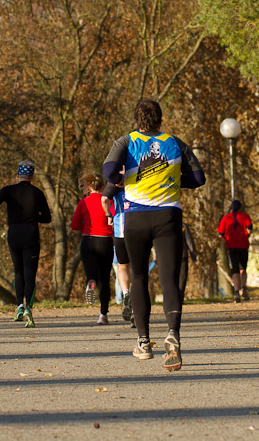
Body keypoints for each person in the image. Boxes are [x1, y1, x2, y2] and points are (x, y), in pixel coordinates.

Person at [103, 98, 205, 371]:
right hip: (168, 216)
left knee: (138, 276)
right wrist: (171, 178)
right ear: (160, 118)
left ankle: (144, 342)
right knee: (169, 278)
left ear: (137, 119)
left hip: (135, 217)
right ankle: (172, 335)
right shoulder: (176, 142)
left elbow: (110, 171)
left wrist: (122, 179)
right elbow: (198, 178)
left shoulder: (125, 142)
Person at [0, 160, 52, 328]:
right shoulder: (37, 193)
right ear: (32, 177)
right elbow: (47, 218)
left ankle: (19, 306)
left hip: (14, 233)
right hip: (31, 233)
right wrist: (33, 217)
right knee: (30, 272)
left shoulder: (8, 190)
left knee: (18, 270)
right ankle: (29, 309)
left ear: (17, 176)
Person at [71, 173, 114, 325]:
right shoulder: (109, 201)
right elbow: (113, 220)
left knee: (92, 274)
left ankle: (90, 282)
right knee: (105, 279)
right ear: (103, 187)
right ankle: (103, 315)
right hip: (105, 241)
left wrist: (87, 225)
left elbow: (74, 225)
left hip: (88, 239)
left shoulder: (83, 202)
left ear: (89, 187)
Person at [101, 177, 134, 326]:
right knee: (139, 269)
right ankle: (136, 302)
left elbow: (104, 200)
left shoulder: (116, 180)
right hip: (140, 229)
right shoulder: (141, 176)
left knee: (123, 266)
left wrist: (108, 215)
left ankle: (126, 293)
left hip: (120, 230)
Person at [217, 200, 253, 302]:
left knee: (235, 269)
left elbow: (220, 234)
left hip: (231, 246)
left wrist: (227, 239)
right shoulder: (245, 216)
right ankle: (244, 288)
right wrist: (246, 236)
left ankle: (236, 292)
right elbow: (249, 228)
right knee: (243, 268)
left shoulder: (225, 218)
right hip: (243, 245)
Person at [179, 222, 197, 301]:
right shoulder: (183, 226)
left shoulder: (165, 225)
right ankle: (180, 297)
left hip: (169, 256)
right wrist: (193, 256)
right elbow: (189, 242)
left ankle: (172, 297)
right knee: (182, 276)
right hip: (183, 254)